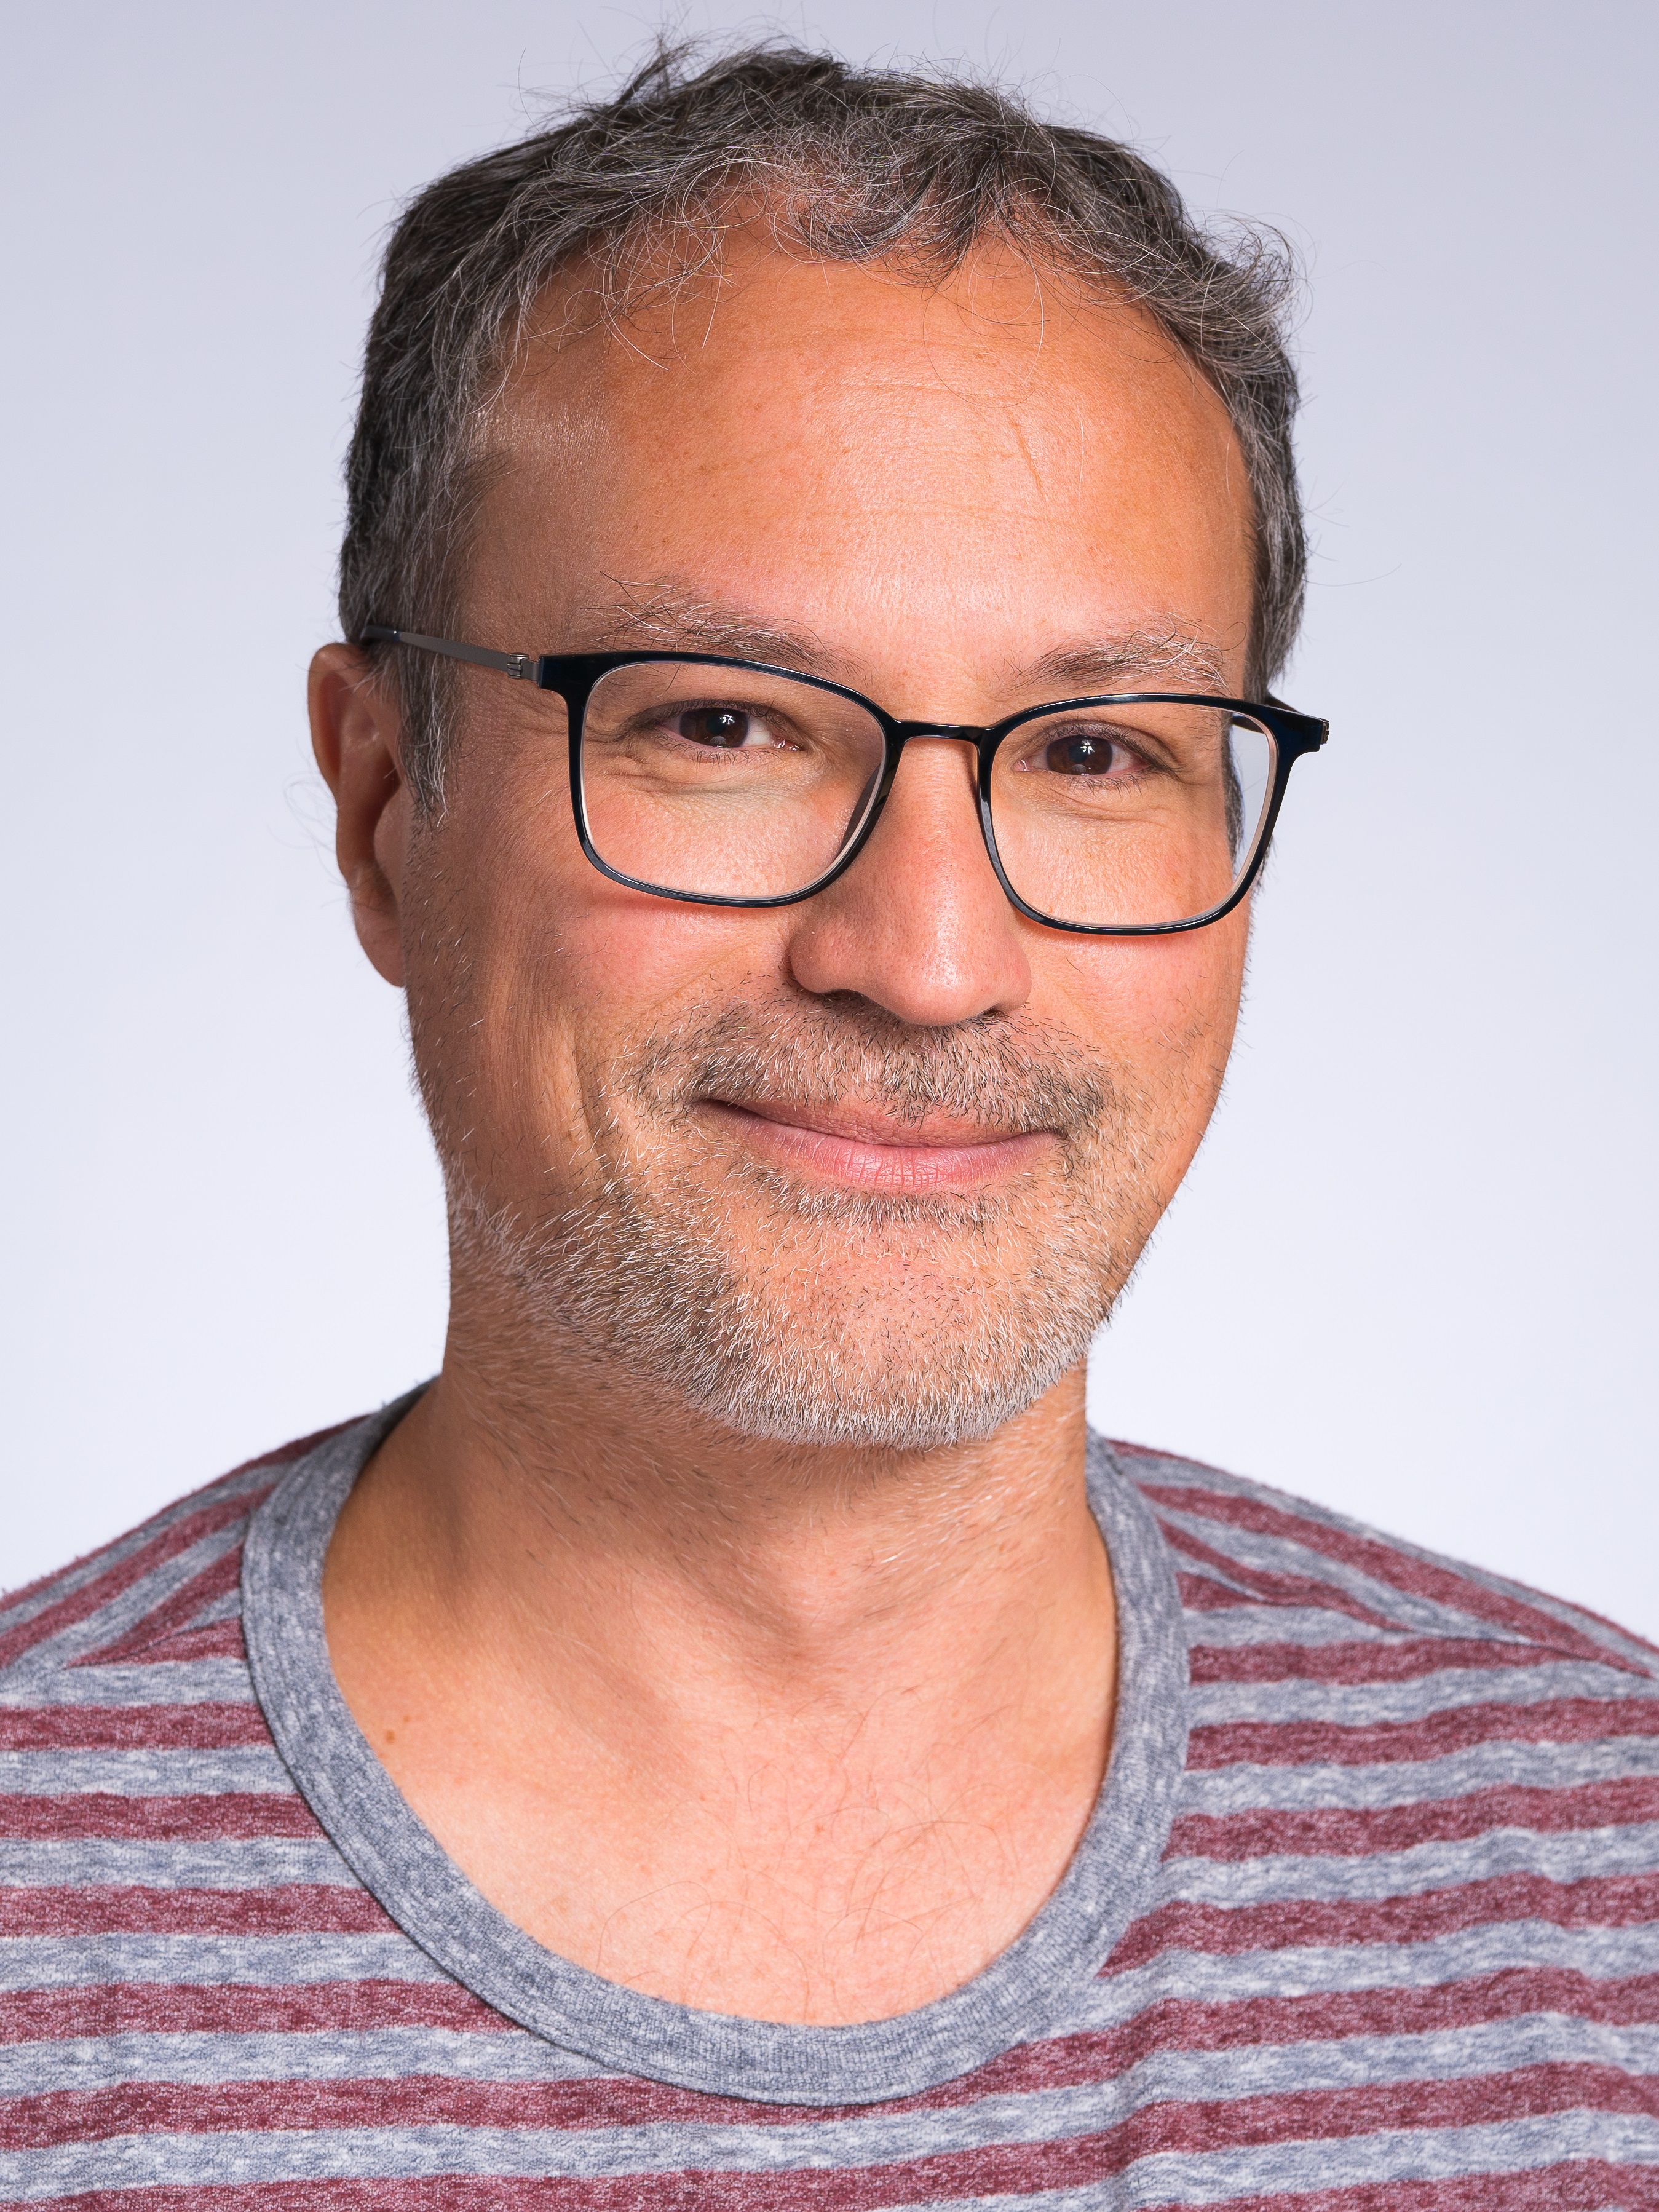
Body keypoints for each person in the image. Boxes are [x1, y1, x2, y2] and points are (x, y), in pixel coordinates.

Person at [5, 44, 1653, 2204]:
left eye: (1095, 752)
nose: (928, 956)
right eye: (723, 725)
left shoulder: (1606, 1884)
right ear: (388, 807)